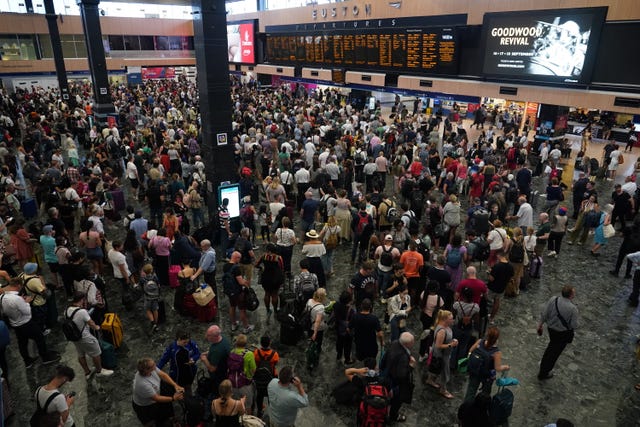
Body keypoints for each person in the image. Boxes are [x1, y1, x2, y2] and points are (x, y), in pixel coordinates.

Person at [0, 277, 59, 367]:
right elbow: (27, 312)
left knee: (22, 343)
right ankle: (45, 357)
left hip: (15, 324)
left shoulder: (2, 297)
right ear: (18, 285)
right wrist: (26, 302)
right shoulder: (17, 299)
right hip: (26, 323)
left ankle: (27, 361)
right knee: (40, 338)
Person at [65, 292, 114, 379]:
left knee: (81, 354)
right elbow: (91, 323)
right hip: (85, 336)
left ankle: (87, 372)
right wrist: (97, 327)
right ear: (82, 300)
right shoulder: (82, 312)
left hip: (75, 337)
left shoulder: (67, 310)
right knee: (96, 352)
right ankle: (99, 371)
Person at [537, 285, 579, 380]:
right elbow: (574, 325)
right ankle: (544, 372)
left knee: (551, 347)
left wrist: (540, 324)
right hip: (562, 334)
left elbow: (545, 313)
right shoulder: (573, 309)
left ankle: (543, 366)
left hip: (551, 330)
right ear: (571, 295)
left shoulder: (553, 299)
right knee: (554, 353)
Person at [132, 357, 185, 426]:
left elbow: (163, 375)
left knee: (165, 410)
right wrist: (173, 398)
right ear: (147, 370)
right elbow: (156, 398)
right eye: (153, 365)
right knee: (153, 421)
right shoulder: (142, 384)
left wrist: (175, 385)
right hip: (146, 405)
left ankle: (170, 419)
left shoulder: (151, 369)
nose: (155, 365)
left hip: (156, 393)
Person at [464, 326, 510, 401]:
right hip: (487, 376)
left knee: (471, 391)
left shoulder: (480, 342)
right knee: (485, 394)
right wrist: (506, 367)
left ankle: (466, 408)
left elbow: (470, 350)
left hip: (475, 372)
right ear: (496, 339)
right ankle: (481, 408)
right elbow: (497, 368)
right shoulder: (496, 352)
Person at [424, 310, 458, 399]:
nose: (453, 320)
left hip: (444, 353)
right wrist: (451, 344)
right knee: (445, 373)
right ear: (445, 319)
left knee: (437, 369)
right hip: (442, 355)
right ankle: (443, 390)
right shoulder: (442, 331)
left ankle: (430, 380)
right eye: (451, 319)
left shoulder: (445, 326)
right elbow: (439, 345)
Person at [157, 329, 201, 396]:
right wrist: (156, 370)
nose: (186, 344)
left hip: (190, 371)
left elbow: (197, 353)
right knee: (175, 389)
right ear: (179, 339)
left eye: (187, 342)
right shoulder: (172, 348)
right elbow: (163, 360)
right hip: (177, 374)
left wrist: (193, 359)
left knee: (188, 389)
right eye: (184, 342)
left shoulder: (191, 343)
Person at [385, 332, 415, 422]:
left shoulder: (395, 343)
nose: (414, 342)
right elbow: (402, 375)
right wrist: (411, 366)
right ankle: (393, 416)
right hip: (397, 383)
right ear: (407, 344)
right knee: (397, 401)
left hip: (388, 374)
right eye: (413, 341)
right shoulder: (403, 358)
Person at [223, 251, 253, 333]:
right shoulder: (236, 268)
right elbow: (240, 282)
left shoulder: (225, 266)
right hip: (238, 292)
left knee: (232, 306)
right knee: (242, 310)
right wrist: (246, 283)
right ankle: (246, 327)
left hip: (229, 291)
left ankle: (234, 324)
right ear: (237, 258)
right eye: (239, 258)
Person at [227, 334, 256, 415]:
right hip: (245, 384)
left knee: (236, 404)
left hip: (233, 383)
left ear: (236, 343)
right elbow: (253, 369)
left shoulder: (232, 352)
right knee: (247, 406)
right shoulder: (249, 354)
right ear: (245, 344)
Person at [200, 325, 231, 398]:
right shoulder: (223, 339)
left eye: (208, 335)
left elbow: (212, 369)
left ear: (215, 337)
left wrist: (204, 359)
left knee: (217, 389)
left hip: (219, 375)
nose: (206, 336)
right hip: (224, 366)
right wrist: (209, 352)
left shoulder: (217, 351)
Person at [255, 243, 284, 319]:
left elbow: (256, 264)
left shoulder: (264, 256)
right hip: (275, 278)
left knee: (267, 293)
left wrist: (261, 268)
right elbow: (281, 267)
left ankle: (268, 310)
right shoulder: (278, 258)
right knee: (275, 294)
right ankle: (275, 310)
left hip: (265, 277)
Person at [253, 336, 279, 418]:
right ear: (269, 343)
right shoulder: (274, 354)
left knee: (259, 395)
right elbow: (275, 363)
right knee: (271, 395)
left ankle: (259, 410)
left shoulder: (256, 352)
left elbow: (255, 362)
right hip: (271, 377)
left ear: (261, 343)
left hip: (259, 377)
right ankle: (272, 411)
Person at [487, 250, 514, 322]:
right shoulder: (511, 266)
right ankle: (491, 318)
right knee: (497, 302)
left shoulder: (497, 266)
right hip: (502, 288)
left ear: (499, 256)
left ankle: (484, 315)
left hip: (492, 287)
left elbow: (491, 278)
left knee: (486, 300)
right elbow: (511, 278)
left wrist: (489, 272)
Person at [190, 239, 218, 304]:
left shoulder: (209, 254)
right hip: (207, 272)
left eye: (202, 246)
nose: (201, 247)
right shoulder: (207, 249)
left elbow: (203, 267)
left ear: (206, 246)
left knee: (212, 287)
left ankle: (214, 303)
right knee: (208, 285)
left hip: (209, 273)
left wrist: (195, 275)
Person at [333, 290, 355, 365]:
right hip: (347, 331)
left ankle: (339, 355)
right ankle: (347, 359)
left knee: (339, 342)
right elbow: (352, 322)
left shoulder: (336, 305)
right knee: (347, 345)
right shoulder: (351, 310)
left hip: (338, 328)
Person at [140, 264, 161, 333]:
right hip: (155, 296)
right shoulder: (154, 276)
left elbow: (141, 287)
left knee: (148, 310)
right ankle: (156, 323)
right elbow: (158, 284)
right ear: (151, 270)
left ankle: (152, 323)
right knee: (155, 310)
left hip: (147, 297)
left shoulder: (143, 278)